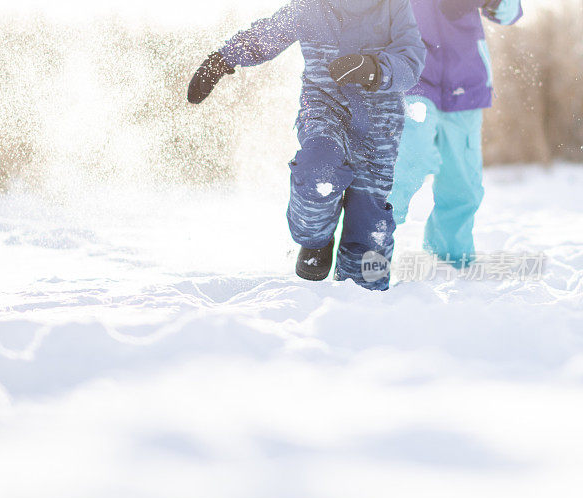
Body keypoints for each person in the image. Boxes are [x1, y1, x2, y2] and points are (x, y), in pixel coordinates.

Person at [187, 0, 425, 291]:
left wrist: (375, 69)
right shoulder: (311, 7)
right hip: (325, 108)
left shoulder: (393, 6)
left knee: (369, 217)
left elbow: (411, 60)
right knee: (318, 170)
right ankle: (316, 240)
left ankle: (367, 293)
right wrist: (222, 59)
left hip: (380, 122)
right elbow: (267, 35)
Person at [388, 0, 523, 267]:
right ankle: (369, 242)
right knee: (408, 159)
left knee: (462, 183)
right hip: (412, 76)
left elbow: (511, 12)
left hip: (466, 81)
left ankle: (451, 258)